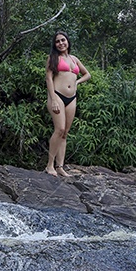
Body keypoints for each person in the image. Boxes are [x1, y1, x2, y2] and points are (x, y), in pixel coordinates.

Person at [44, 31, 90, 176]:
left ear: (68, 41)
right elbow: (49, 78)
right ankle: (49, 165)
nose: (61, 43)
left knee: (64, 133)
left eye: (63, 40)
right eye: (57, 41)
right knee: (59, 129)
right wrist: (53, 99)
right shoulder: (53, 58)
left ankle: (60, 167)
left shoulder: (74, 59)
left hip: (72, 98)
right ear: (55, 45)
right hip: (57, 96)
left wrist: (77, 82)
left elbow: (87, 74)